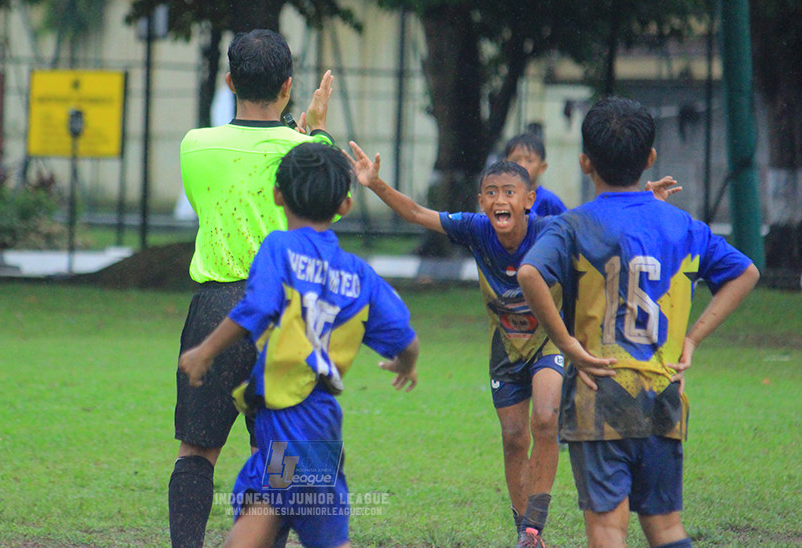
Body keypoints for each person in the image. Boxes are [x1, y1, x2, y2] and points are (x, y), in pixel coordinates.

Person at [518, 96, 759, 548]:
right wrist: (692, 340)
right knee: (666, 527)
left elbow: (530, 273)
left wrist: (567, 344)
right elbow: (746, 273)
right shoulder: (683, 225)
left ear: (585, 161)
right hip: (664, 393)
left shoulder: (572, 226)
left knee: (609, 528)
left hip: (599, 395)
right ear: (650, 158)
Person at [179, 141, 419, 548]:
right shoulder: (359, 273)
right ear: (344, 205)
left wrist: (205, 351)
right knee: (267, 506)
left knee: (301, 522)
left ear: (277, 196)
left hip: (295, 418)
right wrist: (406, 364)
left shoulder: (279, 248)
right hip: (308, 420)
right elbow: (405, 337)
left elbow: (256, 308)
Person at [346, 143, 563, 548]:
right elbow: (415, 213)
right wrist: (374, 184)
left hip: (549, 338)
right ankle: (524, 533)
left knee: (546, 419)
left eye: (510, 192)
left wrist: (641, 202)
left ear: (530, 200)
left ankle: (536, 525)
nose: (500, 199)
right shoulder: (476, 228)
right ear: (482, 201)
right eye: (492, 192)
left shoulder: (551, 230)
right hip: (505, 344)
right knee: (514, 436)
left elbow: (597, 231)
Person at [170, 28, 335, 548]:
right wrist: (317, 134)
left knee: (196, 453)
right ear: (288, 86)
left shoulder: (195, 146)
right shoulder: (305, 151)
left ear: (229, 81)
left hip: (216, 307)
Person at [504, 133, 567, 217]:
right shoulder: (500, 200)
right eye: (515, 160)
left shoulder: (549, 201)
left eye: (529, 161)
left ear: (542, 167)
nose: (522, 166)